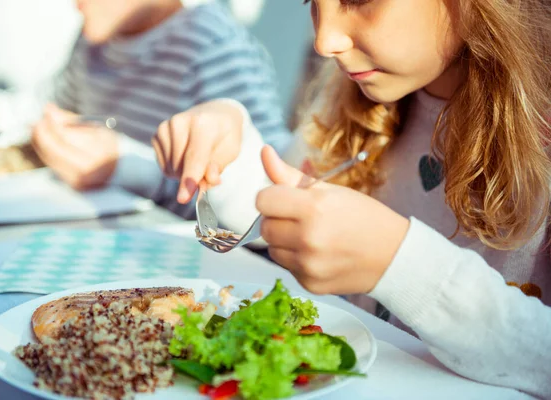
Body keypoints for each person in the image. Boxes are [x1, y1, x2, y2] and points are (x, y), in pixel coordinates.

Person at [152, 0, 551, 397]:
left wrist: (398, 264)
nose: (324, 41)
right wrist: (228, 142)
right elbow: (274, 201)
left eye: (358, 0)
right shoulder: (354, 98)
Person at [0, 0, 290, 218]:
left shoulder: (212, 45)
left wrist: (121, 166)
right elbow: (50, 108)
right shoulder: (96, 43)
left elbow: (265, 191)